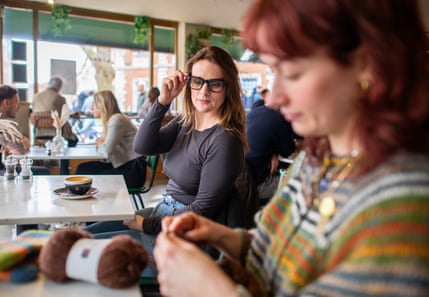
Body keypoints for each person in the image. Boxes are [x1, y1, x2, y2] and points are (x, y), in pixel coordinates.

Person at [153, 1, 429, 297]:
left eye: (294, 73)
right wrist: (221, 236)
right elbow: (278, 249)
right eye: (273, 71)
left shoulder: (402, 211)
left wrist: (210, 289)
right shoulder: (316, 161)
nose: (275, 97)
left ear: (368, 65)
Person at [85, 46, 248, 255]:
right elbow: (143, 146)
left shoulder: (225, 140)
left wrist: (147, 225)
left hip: (183, 234)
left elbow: (200, 211)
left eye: (215, 84)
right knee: (84, 235)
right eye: (197, 81)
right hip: (163, 212)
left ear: (228, 88)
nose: (204, 91)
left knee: (88, 249)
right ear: (188, 82)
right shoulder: (185, 121)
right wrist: (163, 102)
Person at [75, 90, 146, 188]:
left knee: (92, 178)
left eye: (94, 105)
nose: (92, 108)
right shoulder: (113, 119)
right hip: (124, 166)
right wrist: (101, 145)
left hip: (133, 172)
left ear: (102, 106)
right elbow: (106, 154)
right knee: (83, 169)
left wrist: (100, 144)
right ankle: (80, 198)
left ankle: (85, 200)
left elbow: (105, 152)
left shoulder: (116, 120)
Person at [246, 92, 296, 202]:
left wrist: (272, 152)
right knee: (298, 182)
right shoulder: (280, 119)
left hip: (243, 179)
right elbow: (288, 151)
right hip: (257, 186)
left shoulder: (254, 112)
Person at [31, 76, 78, 147]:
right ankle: (65, 157)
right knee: (74, 140)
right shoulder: (59, 98)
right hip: (56, 131)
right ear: (59, 87)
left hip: (39, 132)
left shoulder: (35, 96)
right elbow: (65, 113)